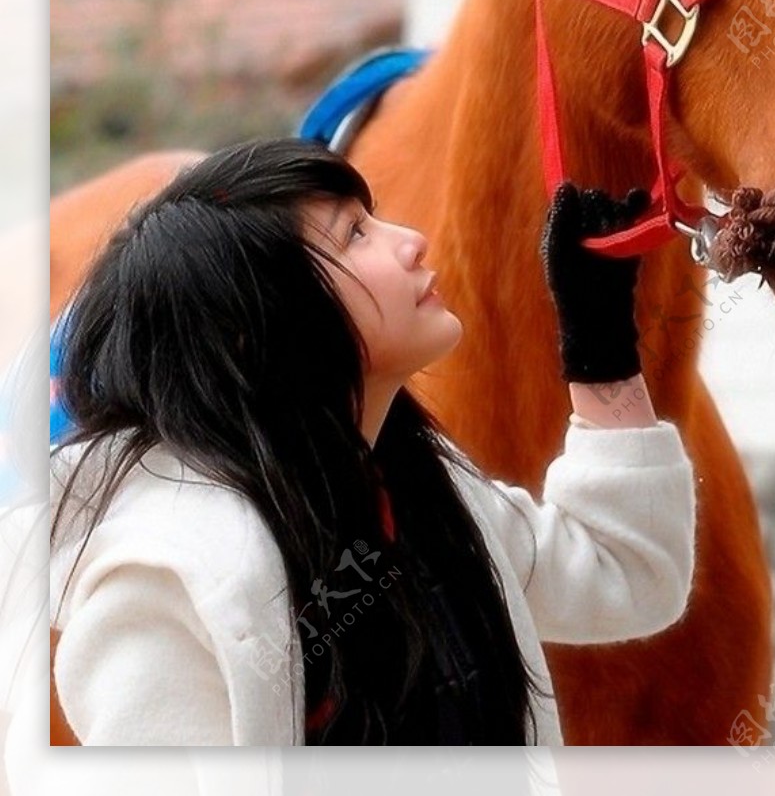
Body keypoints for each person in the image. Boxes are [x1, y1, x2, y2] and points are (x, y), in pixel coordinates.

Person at [49, 138, 697, 746]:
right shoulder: (161, 591)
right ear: (259, 327)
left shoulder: (418, 489)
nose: (412, 242)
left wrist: (599, 343)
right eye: (353, 233)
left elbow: (628, 571)